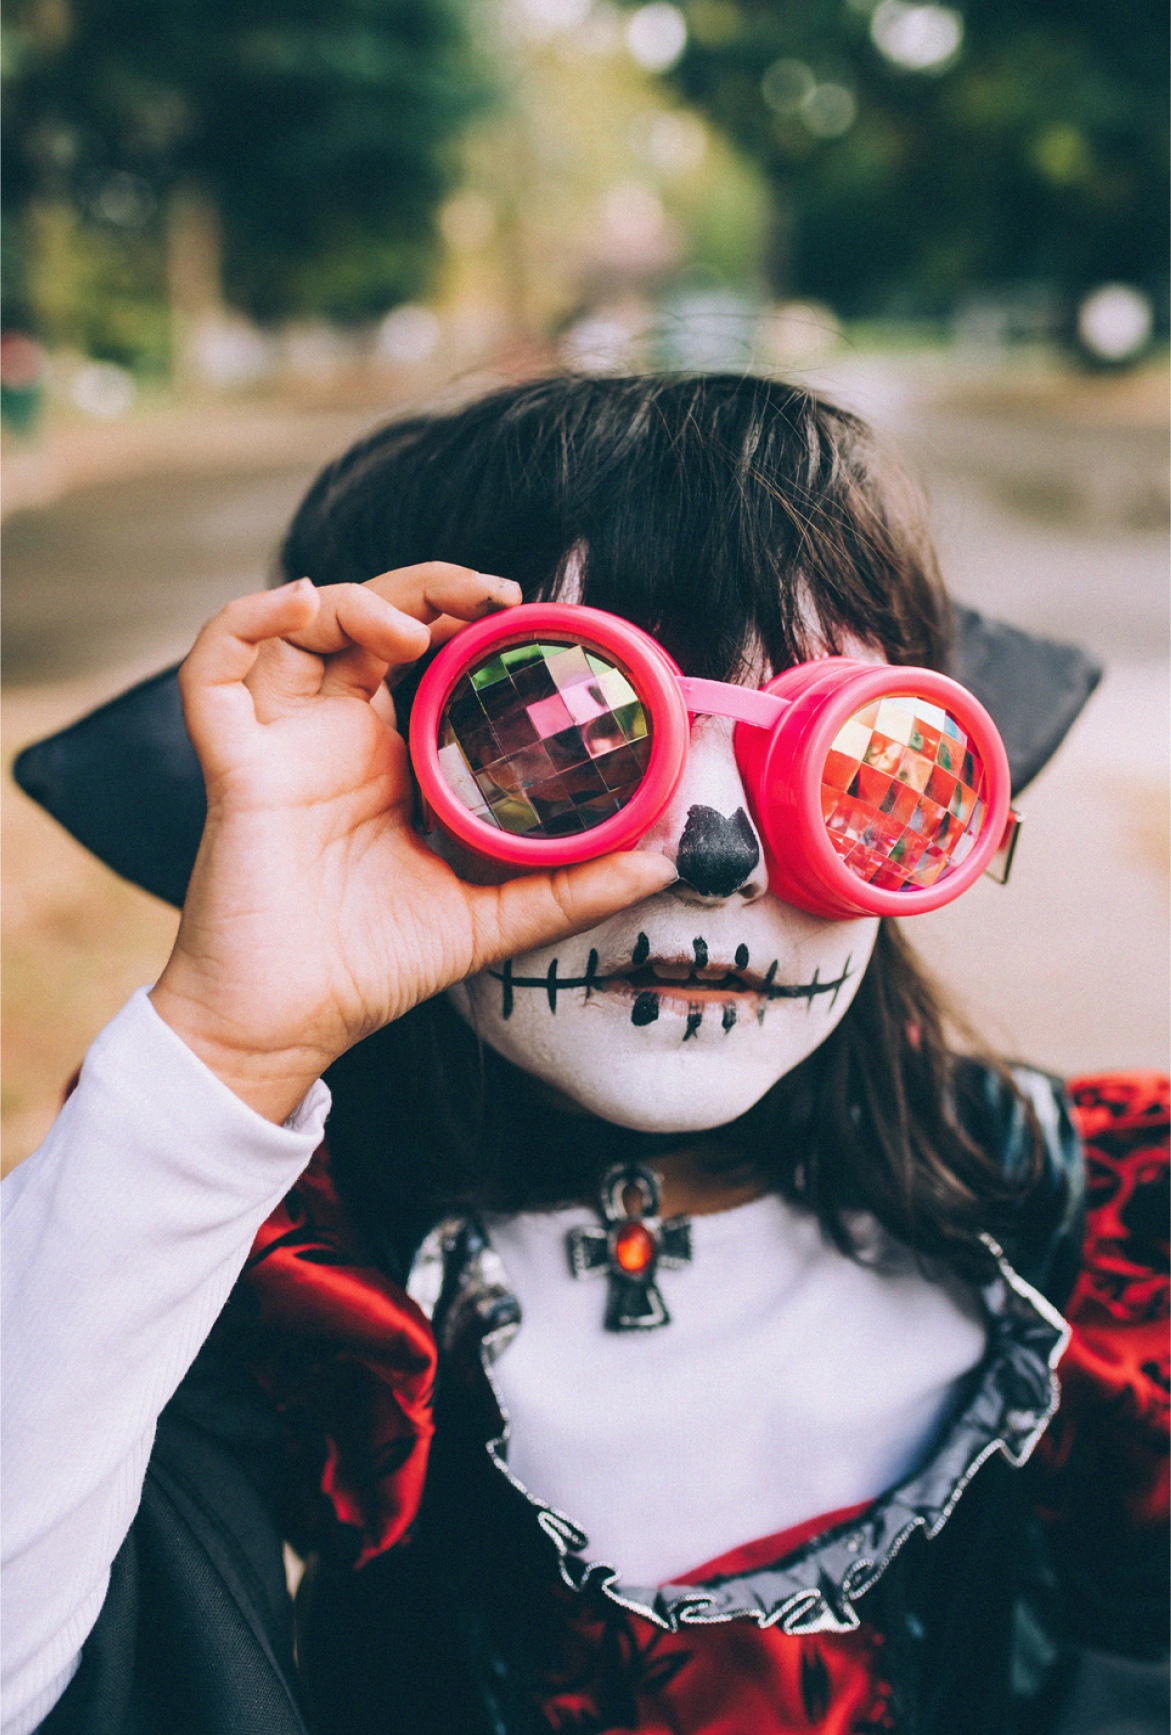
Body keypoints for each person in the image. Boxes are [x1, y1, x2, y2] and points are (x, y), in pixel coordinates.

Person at [2, 375, 1166, 1735]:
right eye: (563, 742)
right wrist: (222, 1048)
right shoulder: (264, 1289)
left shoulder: (1105, 1228)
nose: (716, 864)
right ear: (389, 776)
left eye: (856, 770)